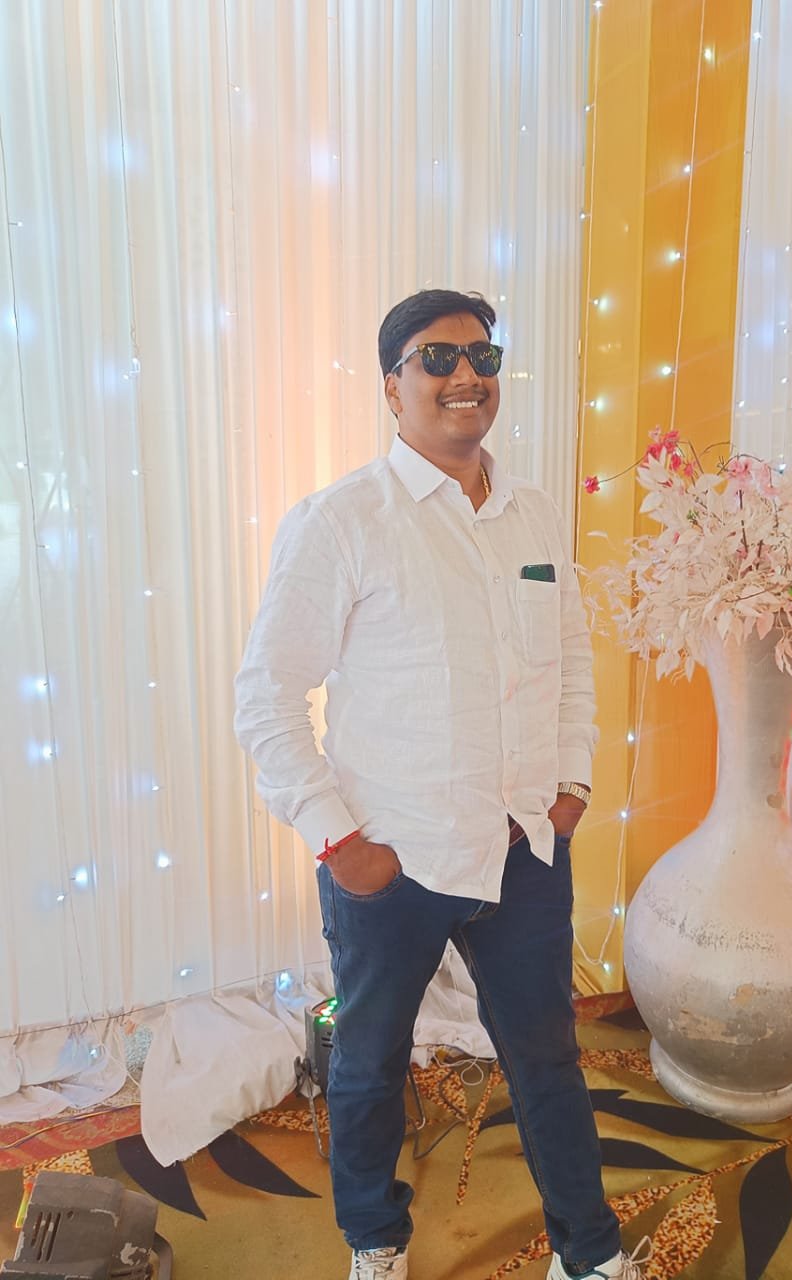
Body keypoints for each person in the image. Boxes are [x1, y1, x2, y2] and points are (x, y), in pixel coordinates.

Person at [234, 289, 650, 1280]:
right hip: (395, 856)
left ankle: (588, 1253)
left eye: (481, 355)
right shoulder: (341, 521)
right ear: (392, 386)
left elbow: (571, 662)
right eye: (436, 357)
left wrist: (572, 783)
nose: (465, 374)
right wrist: (343, 843)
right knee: (370, 1063)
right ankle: (375, 1240)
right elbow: (266, 698)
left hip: (522, 847)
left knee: (546, 1058)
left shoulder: (532, 512)